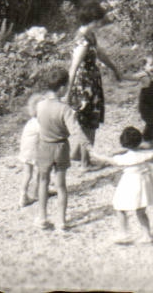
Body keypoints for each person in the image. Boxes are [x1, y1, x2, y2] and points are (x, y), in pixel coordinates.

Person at [32, 67, 94, 231]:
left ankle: (42, 217)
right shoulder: (65, 109)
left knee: (43, 183)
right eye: (66, 86)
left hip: (44, 145)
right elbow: (75, 131)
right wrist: (87, 145)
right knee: (61, 186)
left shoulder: (40, 105)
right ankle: (61, 221)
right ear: (61, 88)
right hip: (61, 147)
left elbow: (38, 120)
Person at [66, 0, 123, 167]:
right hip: (84, 86)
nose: (100, 23)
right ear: (92, 20)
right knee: (88, 123)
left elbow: (100, 54)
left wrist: (115, 69)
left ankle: (79, 155)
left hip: (91, 83)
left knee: (89, 122)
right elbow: (74, 67)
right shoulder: (82, 40)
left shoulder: (89, 36)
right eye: (98, 20)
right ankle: (85, 162)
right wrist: (68, 93)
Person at [100, 126, 153, 245]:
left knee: (119, 206)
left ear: (123, 143)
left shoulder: (124, 158)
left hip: (129, 183)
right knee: (141, 211)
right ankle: (146, 235)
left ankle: (124, 233)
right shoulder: (146, 155)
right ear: (139, 140)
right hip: (144, 182)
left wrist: (93, 153)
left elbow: (107, 159)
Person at [18, 87, 54, 207]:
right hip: (35, 151)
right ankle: (40, 191)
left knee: (27, 173)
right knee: (41, 169)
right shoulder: (40, 123)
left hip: (26, 151)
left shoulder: (31, 122)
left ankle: (23, 195)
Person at [135, 55, 153, 142]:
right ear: (144, 67)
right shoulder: (144, 75)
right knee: (151, 121)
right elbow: (133, 77)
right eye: (151, 65)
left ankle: (148, 136)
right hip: (145, 104)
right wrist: (120, 75)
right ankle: (146, 137)